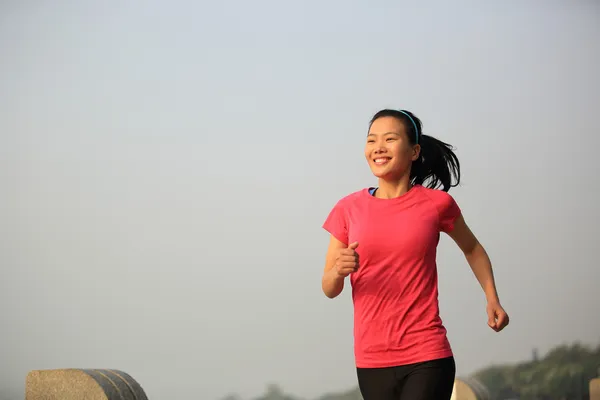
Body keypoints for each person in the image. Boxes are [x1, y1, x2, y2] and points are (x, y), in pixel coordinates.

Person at [321, 109, 509, 400]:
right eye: (371, 141)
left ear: (414, 151)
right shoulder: (347, 209)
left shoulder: (436, 204)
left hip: (427, 352)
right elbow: (329, 288)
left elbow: (472, 249)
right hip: (371, 359)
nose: (378, 148)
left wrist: (492, 298)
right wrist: (338, 271)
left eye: (390, 139)